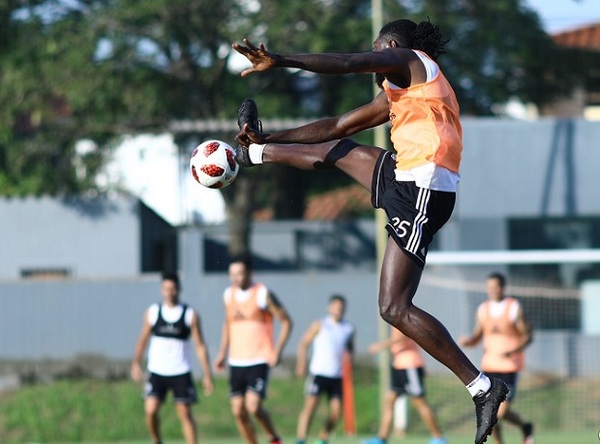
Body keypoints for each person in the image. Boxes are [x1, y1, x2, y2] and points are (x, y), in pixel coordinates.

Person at [232, 18, 509, 444]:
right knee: (337, 149)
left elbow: (346, 63)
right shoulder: (401, 93)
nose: (377, 66)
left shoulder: (410, 61)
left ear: (391, 45)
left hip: (424, 187)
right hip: (407, 176)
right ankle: (256, 151)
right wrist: (274, 137)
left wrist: (280, 59)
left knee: (394, 307)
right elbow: (338, 127)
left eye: (377, 53)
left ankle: (482, 387)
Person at [213, 255, 293, 444]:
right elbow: (228, 323)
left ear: (249, 273)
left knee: (253, 406)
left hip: (258, 358)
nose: (235, 278)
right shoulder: (228, 295)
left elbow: (286, 321)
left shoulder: (262, 293)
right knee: (238, 411)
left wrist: (277, 351)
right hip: (236, 359)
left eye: (240, 273)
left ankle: (273, 437)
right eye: (232, 274)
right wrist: (222, 353)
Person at [131, 272, 214, 444]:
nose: (170, 292)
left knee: (184, 412)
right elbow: (142, 340)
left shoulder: (190, 314)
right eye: (166, 289)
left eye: (173, 289)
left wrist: (207, 374)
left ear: (179, 289)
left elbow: (200, 345)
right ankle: (157, 440)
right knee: (151, 410)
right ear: (162, 290)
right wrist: (136, 363)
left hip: (180, 371)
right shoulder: (153, 312)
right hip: (157, 371)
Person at [459, 273, 534, 444]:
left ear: (503, 287)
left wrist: (514, 350)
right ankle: (522, 428)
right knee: (492, 414)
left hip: (509, 367)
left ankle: (524, 427)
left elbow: (526, 336)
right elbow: (477, 336)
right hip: (489, 367)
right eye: (489, 287)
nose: (492, 290)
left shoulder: (513, 307)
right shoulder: (483, 309)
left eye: (496, 287)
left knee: (498, 414)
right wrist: (468, 341)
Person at [364, 326, 447, 444]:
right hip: (399, 365)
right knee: (390, 400)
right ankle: (381, 439)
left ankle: (438, 438)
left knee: (419, 402)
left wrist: (381, 346)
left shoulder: (404, 314)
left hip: (410, 365)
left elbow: (403, 335)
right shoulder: (394, 314)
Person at [295, 294, 355, 444]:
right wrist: (301, 363)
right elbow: (303, 344)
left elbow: (350, 348)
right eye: (335, 307)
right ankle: (301, 439)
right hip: (318, 373)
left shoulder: (348, 328)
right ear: (329, 308)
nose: (338, 310)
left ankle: (322, 438)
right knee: (310, 407)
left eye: (340, 308)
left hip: (337, 375)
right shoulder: (320, 324)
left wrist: (349, 362)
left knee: (336, 412)